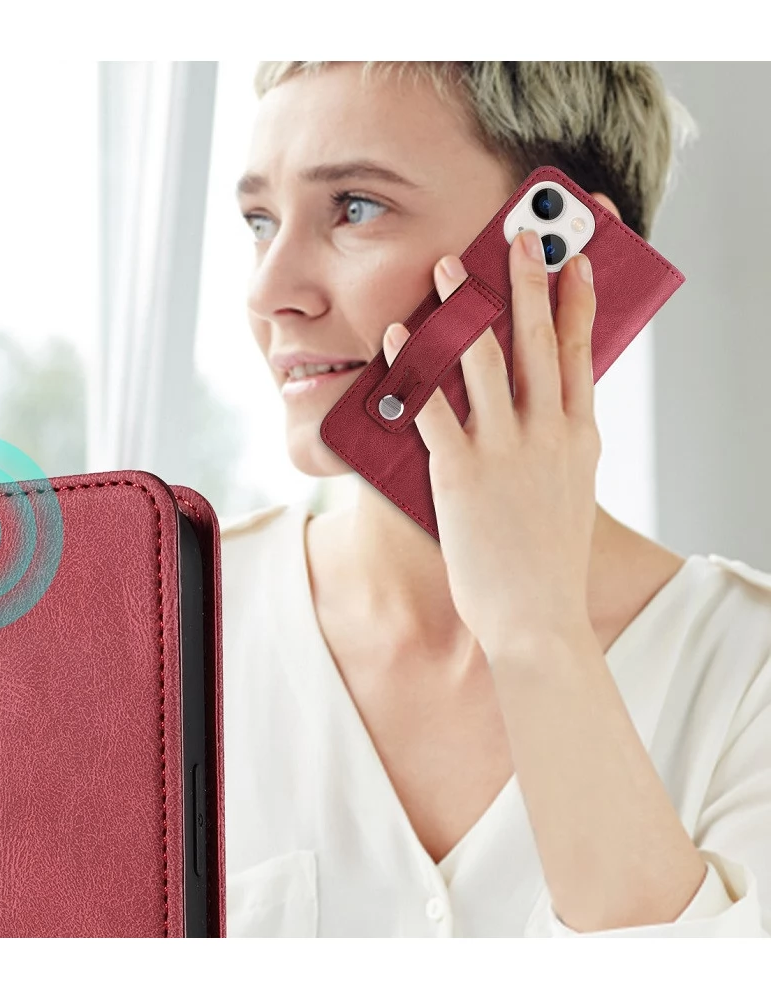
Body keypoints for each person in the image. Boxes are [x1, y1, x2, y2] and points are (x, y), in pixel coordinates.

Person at [219, 61, 771, 937]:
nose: (269, 293)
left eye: (355, 207)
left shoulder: (748, 673)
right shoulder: (171, 623)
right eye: (260, 221)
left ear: (567, 259)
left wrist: (537, 632)